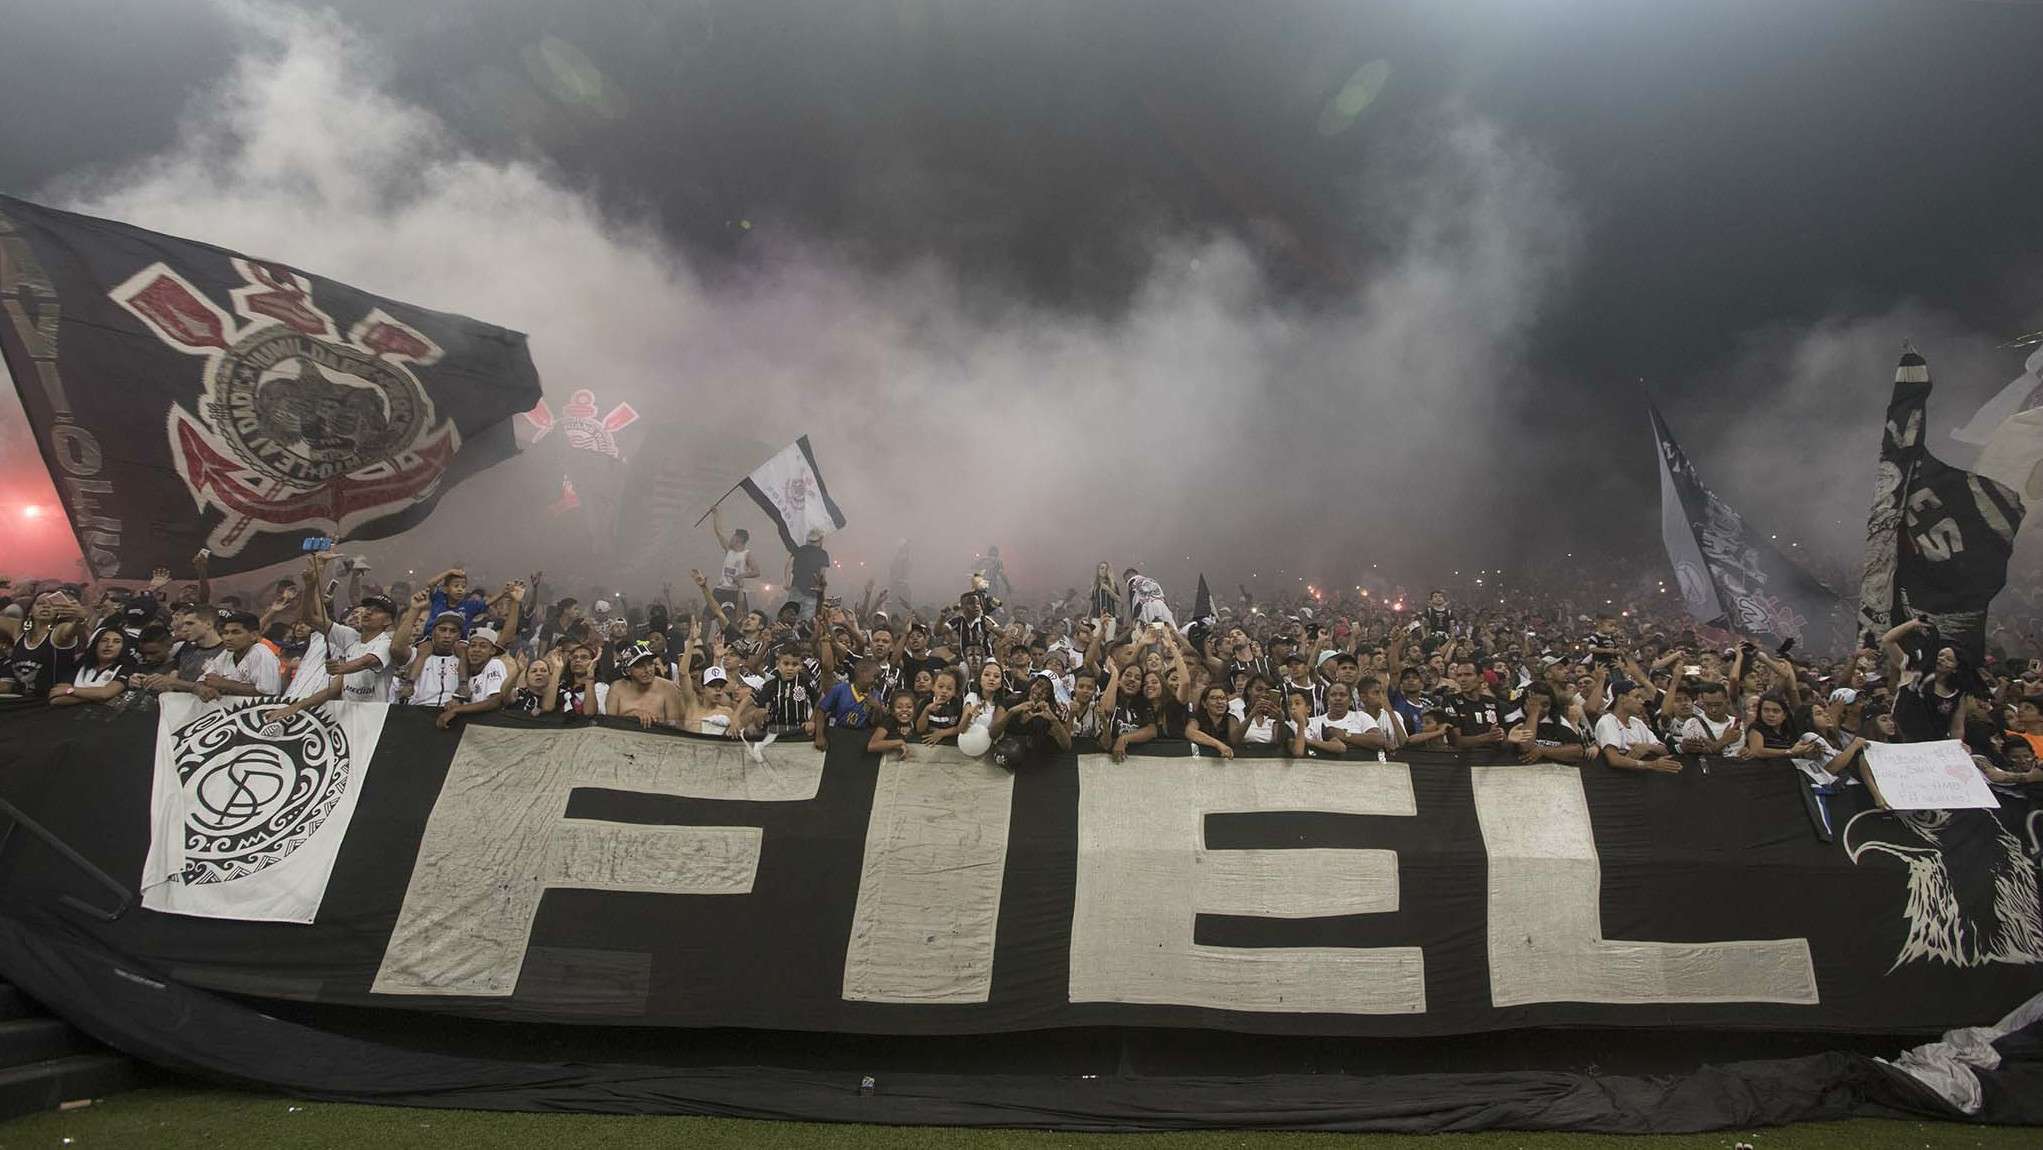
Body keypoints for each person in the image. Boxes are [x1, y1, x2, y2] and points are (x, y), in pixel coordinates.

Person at [436, 625, 513, 729]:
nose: (476, 650)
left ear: (492, 651)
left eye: (483, 646)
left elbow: (495, 701)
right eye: (472, 646)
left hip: (494, 726)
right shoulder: (467, 675)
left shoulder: (495, 664)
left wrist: (456, 710)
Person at [1594, 681, 1679, 773]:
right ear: (1622, 698)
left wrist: (1648, 747)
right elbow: (1614, 759)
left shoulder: (1637, 723)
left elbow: (1664, 751)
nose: (1642, 702)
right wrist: (1651, 765)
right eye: (1637, 697)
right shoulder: (1607, 721)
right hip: (1618, 782)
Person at [202, 612, 283, 697]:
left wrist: (226, 684)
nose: (228, 638)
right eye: (225, 633)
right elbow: (206, 679)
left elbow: (268, 692)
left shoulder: (262, 653)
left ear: (253, 635)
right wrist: (202, 687)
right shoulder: (227, 653)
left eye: (236, 632)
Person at [608, 642, 686, 729]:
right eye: (640, 666)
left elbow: (676, 728)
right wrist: (631, 716)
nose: (648, 670)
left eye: (650, 664)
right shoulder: (616, 689)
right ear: (628, 670)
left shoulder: (668, 688)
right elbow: (609, 726)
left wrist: (655, 723)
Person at [48, 627, 132, 707]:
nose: (109, 645)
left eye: (116, 641)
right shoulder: (81, 664)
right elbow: (56, 698)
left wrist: (69, 690)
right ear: (96, 644)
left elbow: (106, 693)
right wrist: (97, 697)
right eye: (104, 640)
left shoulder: (126, 668)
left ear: (123, 647)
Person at [708, 507, 761, 615]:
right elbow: (719, 532)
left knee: (738, 618)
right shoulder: (729, 550)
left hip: (736, 591)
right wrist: (716, 515)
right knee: (707, 615)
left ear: (739, 539)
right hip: (721, 588)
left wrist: (741, 576)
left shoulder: (746, 554)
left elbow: (756, 571)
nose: (731, 538)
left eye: (733, 536)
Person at [1680, 681, 1746, 758]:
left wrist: (1748, 752)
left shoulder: (1737, 722)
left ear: (1727, 702)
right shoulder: (1693, 724)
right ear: (1702, 702)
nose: (1713, 709)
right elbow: (1698, 756)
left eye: (1718, 705)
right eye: (1708, 705)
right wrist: (1724, 740)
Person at [786, 529, 832, 621]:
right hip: (812, 591)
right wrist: (822, 591)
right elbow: (822, 575)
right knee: (805, 621)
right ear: (821, 539)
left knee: (790, 618)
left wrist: (787, 583)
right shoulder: (823, 554)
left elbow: (788, 567)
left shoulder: (799, 550)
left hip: (796, 588)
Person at [1186, 684, 1237, 758]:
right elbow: (1190, 732)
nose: (1219, 702)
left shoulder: (1231, 719)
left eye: (1223, 698)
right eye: (1213, 698)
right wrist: (1219, 745)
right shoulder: (1197, 717)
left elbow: (1236, 740)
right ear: (1204, 704)